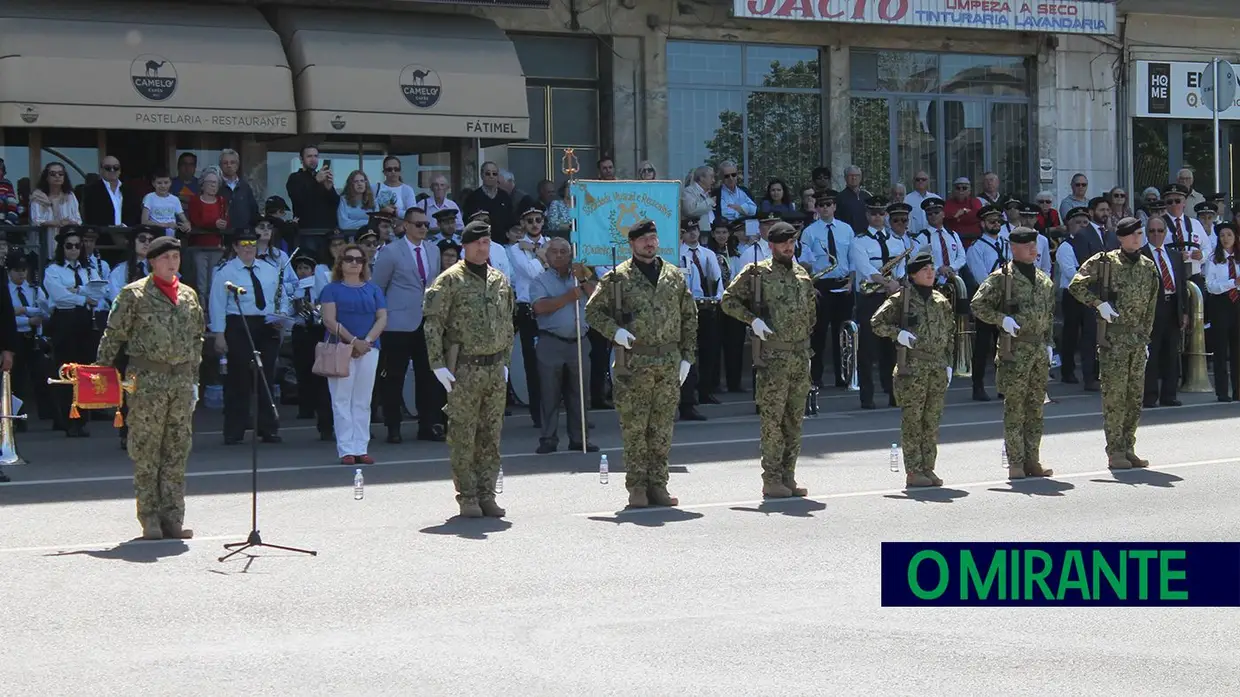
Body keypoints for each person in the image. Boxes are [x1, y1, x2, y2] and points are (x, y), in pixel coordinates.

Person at [584, 219, 697, 509]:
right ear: (632, 244)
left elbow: (689, 317)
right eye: (644, 239)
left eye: (653, 238)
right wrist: (616, 332)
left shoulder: (673, 275)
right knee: (635, 429)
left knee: (661, 429)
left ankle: (658, 485)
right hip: (634, 362)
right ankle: (636, 487)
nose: (650, 243)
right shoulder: (617, 278)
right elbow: (593, 312)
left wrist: (688, 356)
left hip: (669, 360)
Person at [96, 236, 203, 539]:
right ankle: (150, 517)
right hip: (146, 380)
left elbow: (197, 338)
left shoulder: (188, 295)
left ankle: (173, 516)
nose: (172, 262)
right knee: (146, 449)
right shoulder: (134, 294)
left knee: (177, 449)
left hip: (180, 381)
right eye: (166, 257)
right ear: (152, 261)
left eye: (176, 257)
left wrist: (194, 378)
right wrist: (101, 373)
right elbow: (113, 335)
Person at [423, 221, 515, 518]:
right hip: (464, 368)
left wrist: (506, 362)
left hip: (494, 367)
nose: (482, 247)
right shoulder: (448, 280)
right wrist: (437, 364)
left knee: (491, 435)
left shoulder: (499, 279)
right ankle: (468, 496)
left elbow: (507, 323)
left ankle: (487, 493)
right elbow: (433, 324)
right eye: (477, 243)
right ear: (465, 245)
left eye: (486, 242)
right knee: (463, 434)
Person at [721, 221, 816, 497]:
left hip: (799, 356)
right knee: (773, 422)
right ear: (771, 245)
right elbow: (728, 301)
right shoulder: (757, 273)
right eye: (783, 243)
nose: (788, 247)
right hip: (773, 358)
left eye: (792, 242)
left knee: (794, 420)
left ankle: (788, 476)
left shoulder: (802, 274)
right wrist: (753, 321)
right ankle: (771, 479)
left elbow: (811, 313)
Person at [1068, 217, 1160, 470]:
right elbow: (1076, 285)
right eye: (1132, 234)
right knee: (1115, 397)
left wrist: (1146, 337)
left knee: (1134, 397)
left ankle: (1129, 446)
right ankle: (1115, 451)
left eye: (1140, 234)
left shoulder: (1148, 266)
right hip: (1114, 339)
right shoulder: (1105, 262)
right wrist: (1098, 304)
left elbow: (1151, 306)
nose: (1137, 238)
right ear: (1120, 237)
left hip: (1137, 339)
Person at [970, 227, 1057, 480]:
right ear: (1014, 248)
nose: (1033, 249)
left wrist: (1049, 343)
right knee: (1015, 409)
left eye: (1035, 244)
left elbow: (1049, 315)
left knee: (1036, 409)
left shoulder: (1043, 280)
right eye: (1027, 245)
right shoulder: (1002, 278)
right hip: (1015, 350)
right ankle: (1016, 462)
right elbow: (977, 304)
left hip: (1039, 350)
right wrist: (1001, 319)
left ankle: (1033, 460)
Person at [870, 246, 953, 488]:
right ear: (913, 274)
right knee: (913, 421)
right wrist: (899, 334)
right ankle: (914, 471)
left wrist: (948, 362)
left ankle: (929, 468)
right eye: (924, 270)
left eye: (932, 269)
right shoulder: (902, 299)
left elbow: (949, 333)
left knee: (932, 421)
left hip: (937, 367)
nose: (930, 273)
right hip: (913, 368)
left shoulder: (941, 300)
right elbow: (876, 323)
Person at [208, 230, 289, 445]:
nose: (248, 247)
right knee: (238, 379)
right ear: (235, 247)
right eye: (243, 243)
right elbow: (216, 304)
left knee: (266, 376)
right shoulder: (225, 272)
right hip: (239, 324)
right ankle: (234, 429)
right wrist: (219, 334)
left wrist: (282, 316)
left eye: (251, 243)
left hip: (266, 324)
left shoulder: (269, 269)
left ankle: (268, 428)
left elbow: (281, 296)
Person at [320, 243, 387, 464]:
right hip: (341, 348)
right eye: (349, 259)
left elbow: (382, 318)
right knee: (341, 399)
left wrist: (366, 342)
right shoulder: (331, 289)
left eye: (359, 260)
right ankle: (346, 449)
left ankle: (361, 447)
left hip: (369, 349)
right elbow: (330, 321)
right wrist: (354, 342)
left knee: (362, 400)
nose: (354, 263)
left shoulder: (373, 289)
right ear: (341, 263)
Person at [530, 237, 598, 454]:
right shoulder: (540, 280)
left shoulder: (579, 277)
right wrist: (569, 296)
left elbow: (599, 297)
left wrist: (585, 279)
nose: (559, 255)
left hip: (579, 342)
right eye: (555, 252)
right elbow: (540, 307)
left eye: (564, 252)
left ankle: (580, 438)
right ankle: (548, 438)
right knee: (549, 393)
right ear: (547, 257)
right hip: (551, 342)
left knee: (579, 393)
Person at [1206, 222, 1240, 401]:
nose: (1226, 239)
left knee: (1237, 349)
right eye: (1222, 236)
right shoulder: (1213, 258)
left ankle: (1238, 389)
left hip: (1237, 304)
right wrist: (1232, 283)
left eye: (1229, 235)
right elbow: (1210, 286)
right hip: (1220, 304)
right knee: (1220, 349)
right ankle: (1222, 391)